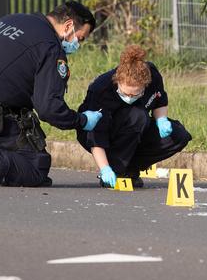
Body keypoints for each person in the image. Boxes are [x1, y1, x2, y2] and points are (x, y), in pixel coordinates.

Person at [0, 1, 104, 188]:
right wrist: (82, 120)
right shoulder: (50, 47)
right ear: (69, 26)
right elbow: (48, 109)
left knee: (22, 123)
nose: (78, 45)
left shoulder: (15, 19)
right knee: (35, 165)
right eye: (81, 38)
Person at [76, 45, 191, 188]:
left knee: (179, 135)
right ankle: (117, 170)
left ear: (145, 85)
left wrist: (161, 119)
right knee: (137, 115)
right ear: (118, 80)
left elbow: (159, 101)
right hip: (99, 133)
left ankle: (130, 169)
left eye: (135, 94)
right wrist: (105, 168)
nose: (129, 97)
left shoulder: (152, 76)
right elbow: (95, 137)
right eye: (125, 93)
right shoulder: (101, 89)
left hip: (135, 129)